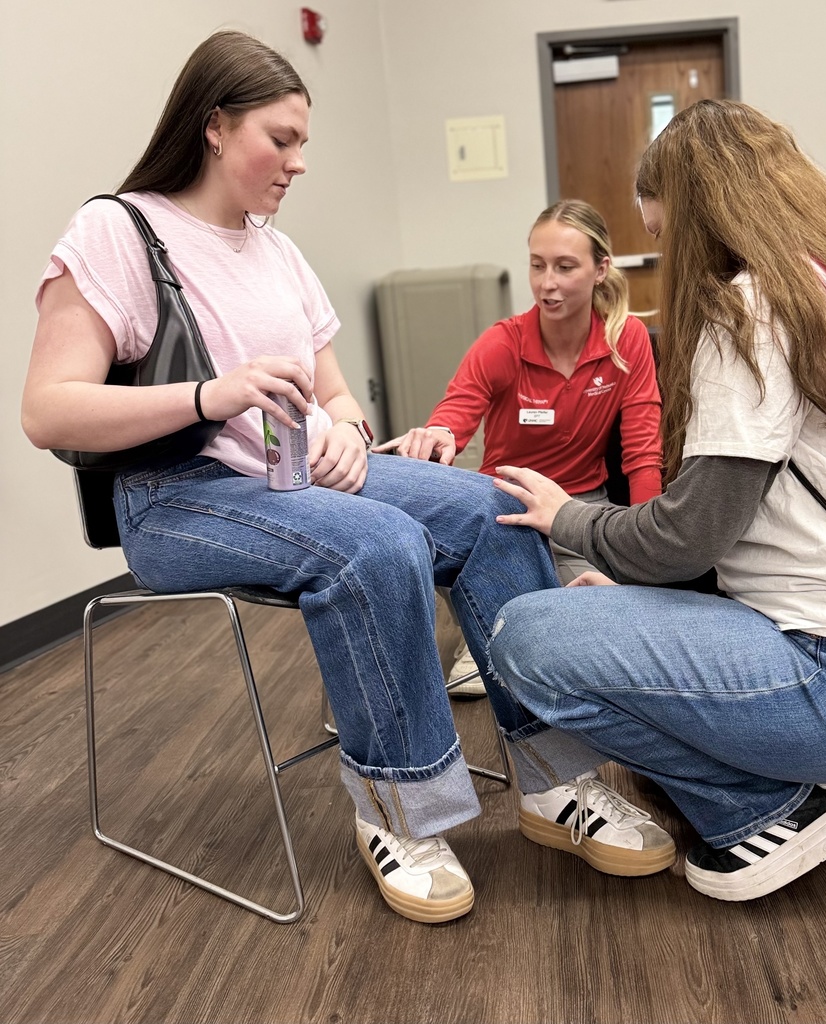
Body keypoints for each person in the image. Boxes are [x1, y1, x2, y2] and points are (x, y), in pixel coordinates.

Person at [21, 31, 676, 924]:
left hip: (298, 482)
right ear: (214, 126)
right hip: (178, 498)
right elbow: (47, 410)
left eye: (302, 144)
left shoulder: (274, 249)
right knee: (378, 546)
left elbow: (334, 392)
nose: (296, 163)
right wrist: (211, 394)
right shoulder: (119, 230)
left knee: (496, 507)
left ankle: (553, 783)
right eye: (280, 139)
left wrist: (341, 429)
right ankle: (401, 812)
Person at [487, 99, 826, 902]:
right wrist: (642, 601)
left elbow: (689, 534)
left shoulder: (750, 312)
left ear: (694, 217)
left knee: (526, 638)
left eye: (661, 232)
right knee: (606, 624)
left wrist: (569, 516)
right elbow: (764, 524)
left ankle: (778, 810)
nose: (663, 255)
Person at [375, 200, 662, 695]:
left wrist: (649, 556)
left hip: (581, 510)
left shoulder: (626, 340)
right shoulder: (503, 344)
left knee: (618, 628)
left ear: (601, 270)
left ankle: (515, 617)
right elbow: (454, 417)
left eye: (565, 267)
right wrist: (439, 435)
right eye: (537, 264)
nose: (547, 282)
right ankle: (494, 623)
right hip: (504, 512)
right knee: (535, 636)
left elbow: (642, 449)